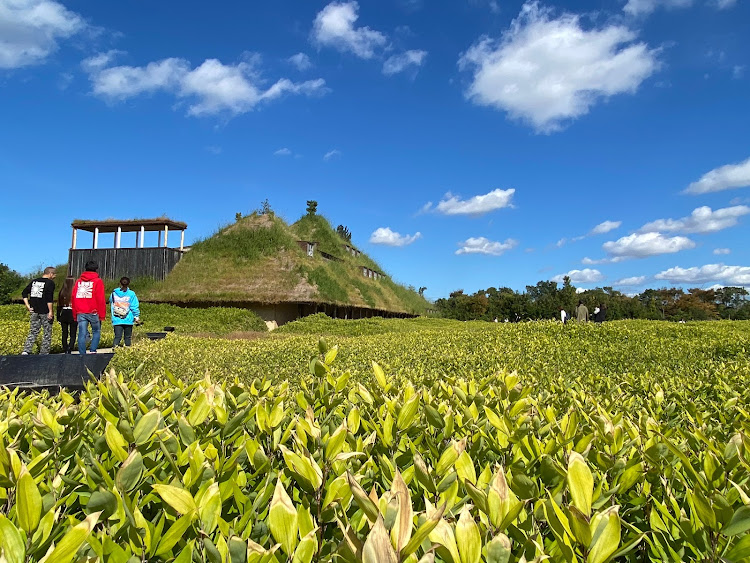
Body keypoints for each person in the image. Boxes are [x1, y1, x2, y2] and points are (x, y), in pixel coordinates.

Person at [71, 261, 106, 354]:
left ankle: (82, 353)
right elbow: (100, 298)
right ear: (96, 269)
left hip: (80, 311)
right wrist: (102, 315)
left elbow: (73, 297)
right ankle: (93, 350)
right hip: (93, 311)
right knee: (96, 331)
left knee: (81, 333)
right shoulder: (98, 281)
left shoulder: (78, 281)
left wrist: (74, 313)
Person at [21, 266, 56, 355]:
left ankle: (26, 350)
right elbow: (49, 298)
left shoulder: (34, 281)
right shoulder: (50, 283)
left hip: (34, 310)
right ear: (50, 274)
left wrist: (28, 306)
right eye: (54, 274)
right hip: (45, 311)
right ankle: (44, 352)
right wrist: (51, 311)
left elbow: (24, 293)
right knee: (47, 332)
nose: (55, 276)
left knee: (33, 331)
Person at [110, 277, 140, 347]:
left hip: (116, 318)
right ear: (129, 283)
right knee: (127, 337)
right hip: (128, 319)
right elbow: (134, 306)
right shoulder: (131, 294)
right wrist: (136, 316)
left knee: (117, 337)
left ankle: (114, 351)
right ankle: (127, 352)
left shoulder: (114, 293)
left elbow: (111, 301)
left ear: (120, 283)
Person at [56, 276, 77, 353]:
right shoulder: (75, 292)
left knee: (64, 332)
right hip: (72, 312)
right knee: (73, 332)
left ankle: (65, 347)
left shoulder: (62, 292)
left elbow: (59, 306)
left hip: (64, 312)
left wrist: (58, 317)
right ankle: (70, 347)